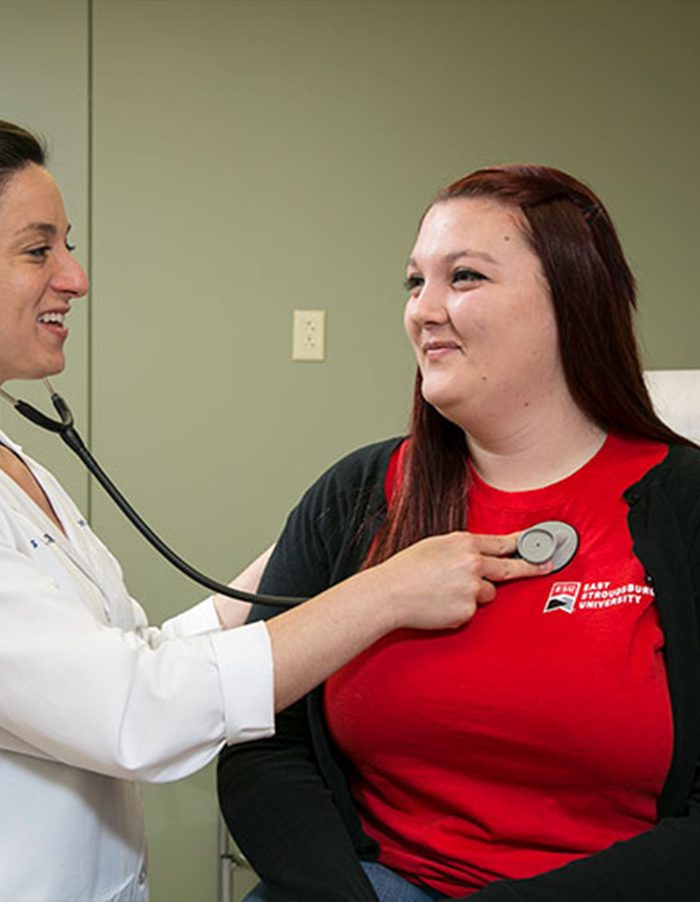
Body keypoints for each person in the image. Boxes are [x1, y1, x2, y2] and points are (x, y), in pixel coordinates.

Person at [0, 118, 549, 902]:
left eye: (67, 245)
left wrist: (303, 561)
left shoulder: (7, 465)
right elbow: (132, 710)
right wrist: (383, 595)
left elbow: (128, 654)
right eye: (37, 249)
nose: (75, 277)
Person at [218, 164, 700, 901]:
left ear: (574, 300)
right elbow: (264, 736)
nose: (423, 310)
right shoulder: (357, 497)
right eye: (415, 282)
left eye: (464, 277)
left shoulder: (685, 505)